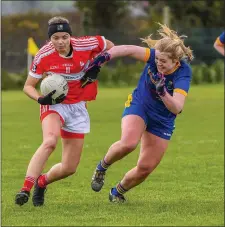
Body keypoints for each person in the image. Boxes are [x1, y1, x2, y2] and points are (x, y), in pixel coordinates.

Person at [15, 16, 114, 206]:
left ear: (70, 36)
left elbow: (111, 47)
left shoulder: (87, 44)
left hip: (77, 107)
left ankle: (42, 182)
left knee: (69, 168)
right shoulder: (43, 55)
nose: (60, 42)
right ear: (49, 39)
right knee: (50, 141)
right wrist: (40, 99)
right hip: (53, 104)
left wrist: (97, 65)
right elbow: (28, 86)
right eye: (55, 38)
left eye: (64, 37)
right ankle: (25, 189)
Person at [89, 23, 194, 203]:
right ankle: (101, 168)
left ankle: (117, 192)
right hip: (141, 105)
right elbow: (128, 50)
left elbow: (177, 107)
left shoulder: (183, 73)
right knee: (128, 143)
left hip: (163, 118)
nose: (158, 63)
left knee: (145, 167)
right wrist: (104, 57)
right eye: (157, 59)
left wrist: (163, 92)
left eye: (163, 62)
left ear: (176, 62)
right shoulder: (154, 56)